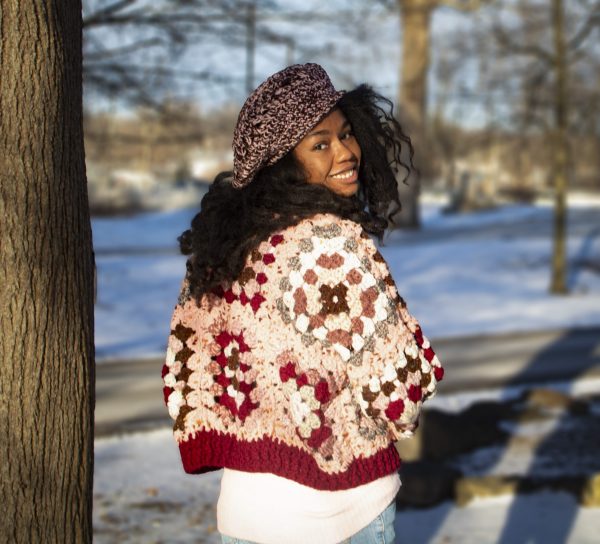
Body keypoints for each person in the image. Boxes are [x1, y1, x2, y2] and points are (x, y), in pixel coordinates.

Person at [161, 63, 444, 544]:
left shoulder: (222, 250)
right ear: (284, 164)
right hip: (342, 512)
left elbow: (185, 374)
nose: (347, 152)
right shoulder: (332, 245)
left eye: (347, 133)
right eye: (321, 144)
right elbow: (398, 390)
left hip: (245, 514)